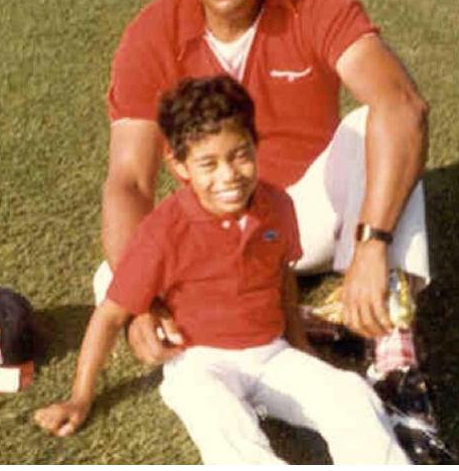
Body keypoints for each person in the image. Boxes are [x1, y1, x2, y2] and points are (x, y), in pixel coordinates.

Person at [95, 0, 449, 462]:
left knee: (376, 124)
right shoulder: (151, 31)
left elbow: (403, 105)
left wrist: (372, 243)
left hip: (305, 212)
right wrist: (143, 305)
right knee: (112, 280)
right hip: (214, 230)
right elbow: (128, 180)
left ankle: (393, 360)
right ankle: (271, 328)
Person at [37, 76, 409, 464]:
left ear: (255, 145)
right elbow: (110, 316)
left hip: (271, 354)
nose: (229, 175)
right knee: (224, 425)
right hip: (200, 364)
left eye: (240, 155)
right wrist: (80, 398)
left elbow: (282, 277)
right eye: (208, 164)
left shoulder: (277, 206)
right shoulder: (164, 231)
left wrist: (300, 346)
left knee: (351, 396)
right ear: (180, 165)